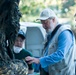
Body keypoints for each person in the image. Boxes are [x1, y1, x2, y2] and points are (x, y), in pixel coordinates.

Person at [25, 8, 75, 75]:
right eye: (42, 23)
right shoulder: (49, 33)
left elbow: (60, 54)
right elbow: (47, 54)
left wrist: (39, 60)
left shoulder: (64, 33)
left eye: (45, 23)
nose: (43, 26)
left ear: (53, 20)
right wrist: (35, 59)